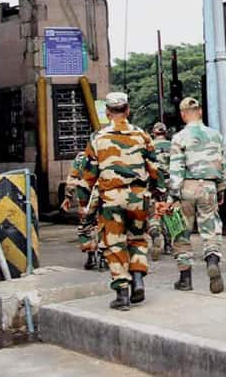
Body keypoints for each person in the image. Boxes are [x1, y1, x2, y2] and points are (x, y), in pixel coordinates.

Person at [81, 92, 164, 310]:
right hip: (138, 197)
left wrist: (84, 206)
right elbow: (155, 169)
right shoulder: (142, 135)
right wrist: (159, 194)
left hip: (111, 198)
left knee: (115, 243)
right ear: (127, 110)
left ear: (108, 112)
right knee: (137, 238)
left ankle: (122, 293)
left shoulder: (98, 138)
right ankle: (137, 279)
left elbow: (88, 176)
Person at [165, 97, 226, 294]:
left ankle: (185, 279)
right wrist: (221, 189)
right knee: (211, 229)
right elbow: (223, 166)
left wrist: (172, 196)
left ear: (183, 115)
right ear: (200, 112)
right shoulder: (216, 136)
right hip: (208, 186)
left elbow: (176, 169)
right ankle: (212, 260)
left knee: (181, 231)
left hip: (186, 187)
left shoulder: (179, 138)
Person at [61, 151, 101, 270]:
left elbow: (72, 178)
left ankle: (91, 256)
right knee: (104, 223)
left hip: (84, 193)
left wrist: (67, 197)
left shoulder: (81, 157)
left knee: (85, 223)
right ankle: (103, 257)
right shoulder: (107, 153)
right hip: (104, 193)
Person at [147, 122, 173, 259]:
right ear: (165, 132)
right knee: (169, 212)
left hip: (154, 185)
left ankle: (156, 234)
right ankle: (169, 244)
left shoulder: (149, 147)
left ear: (153, 132)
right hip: (171, 184)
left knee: (154, 213)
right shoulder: (174, 146)